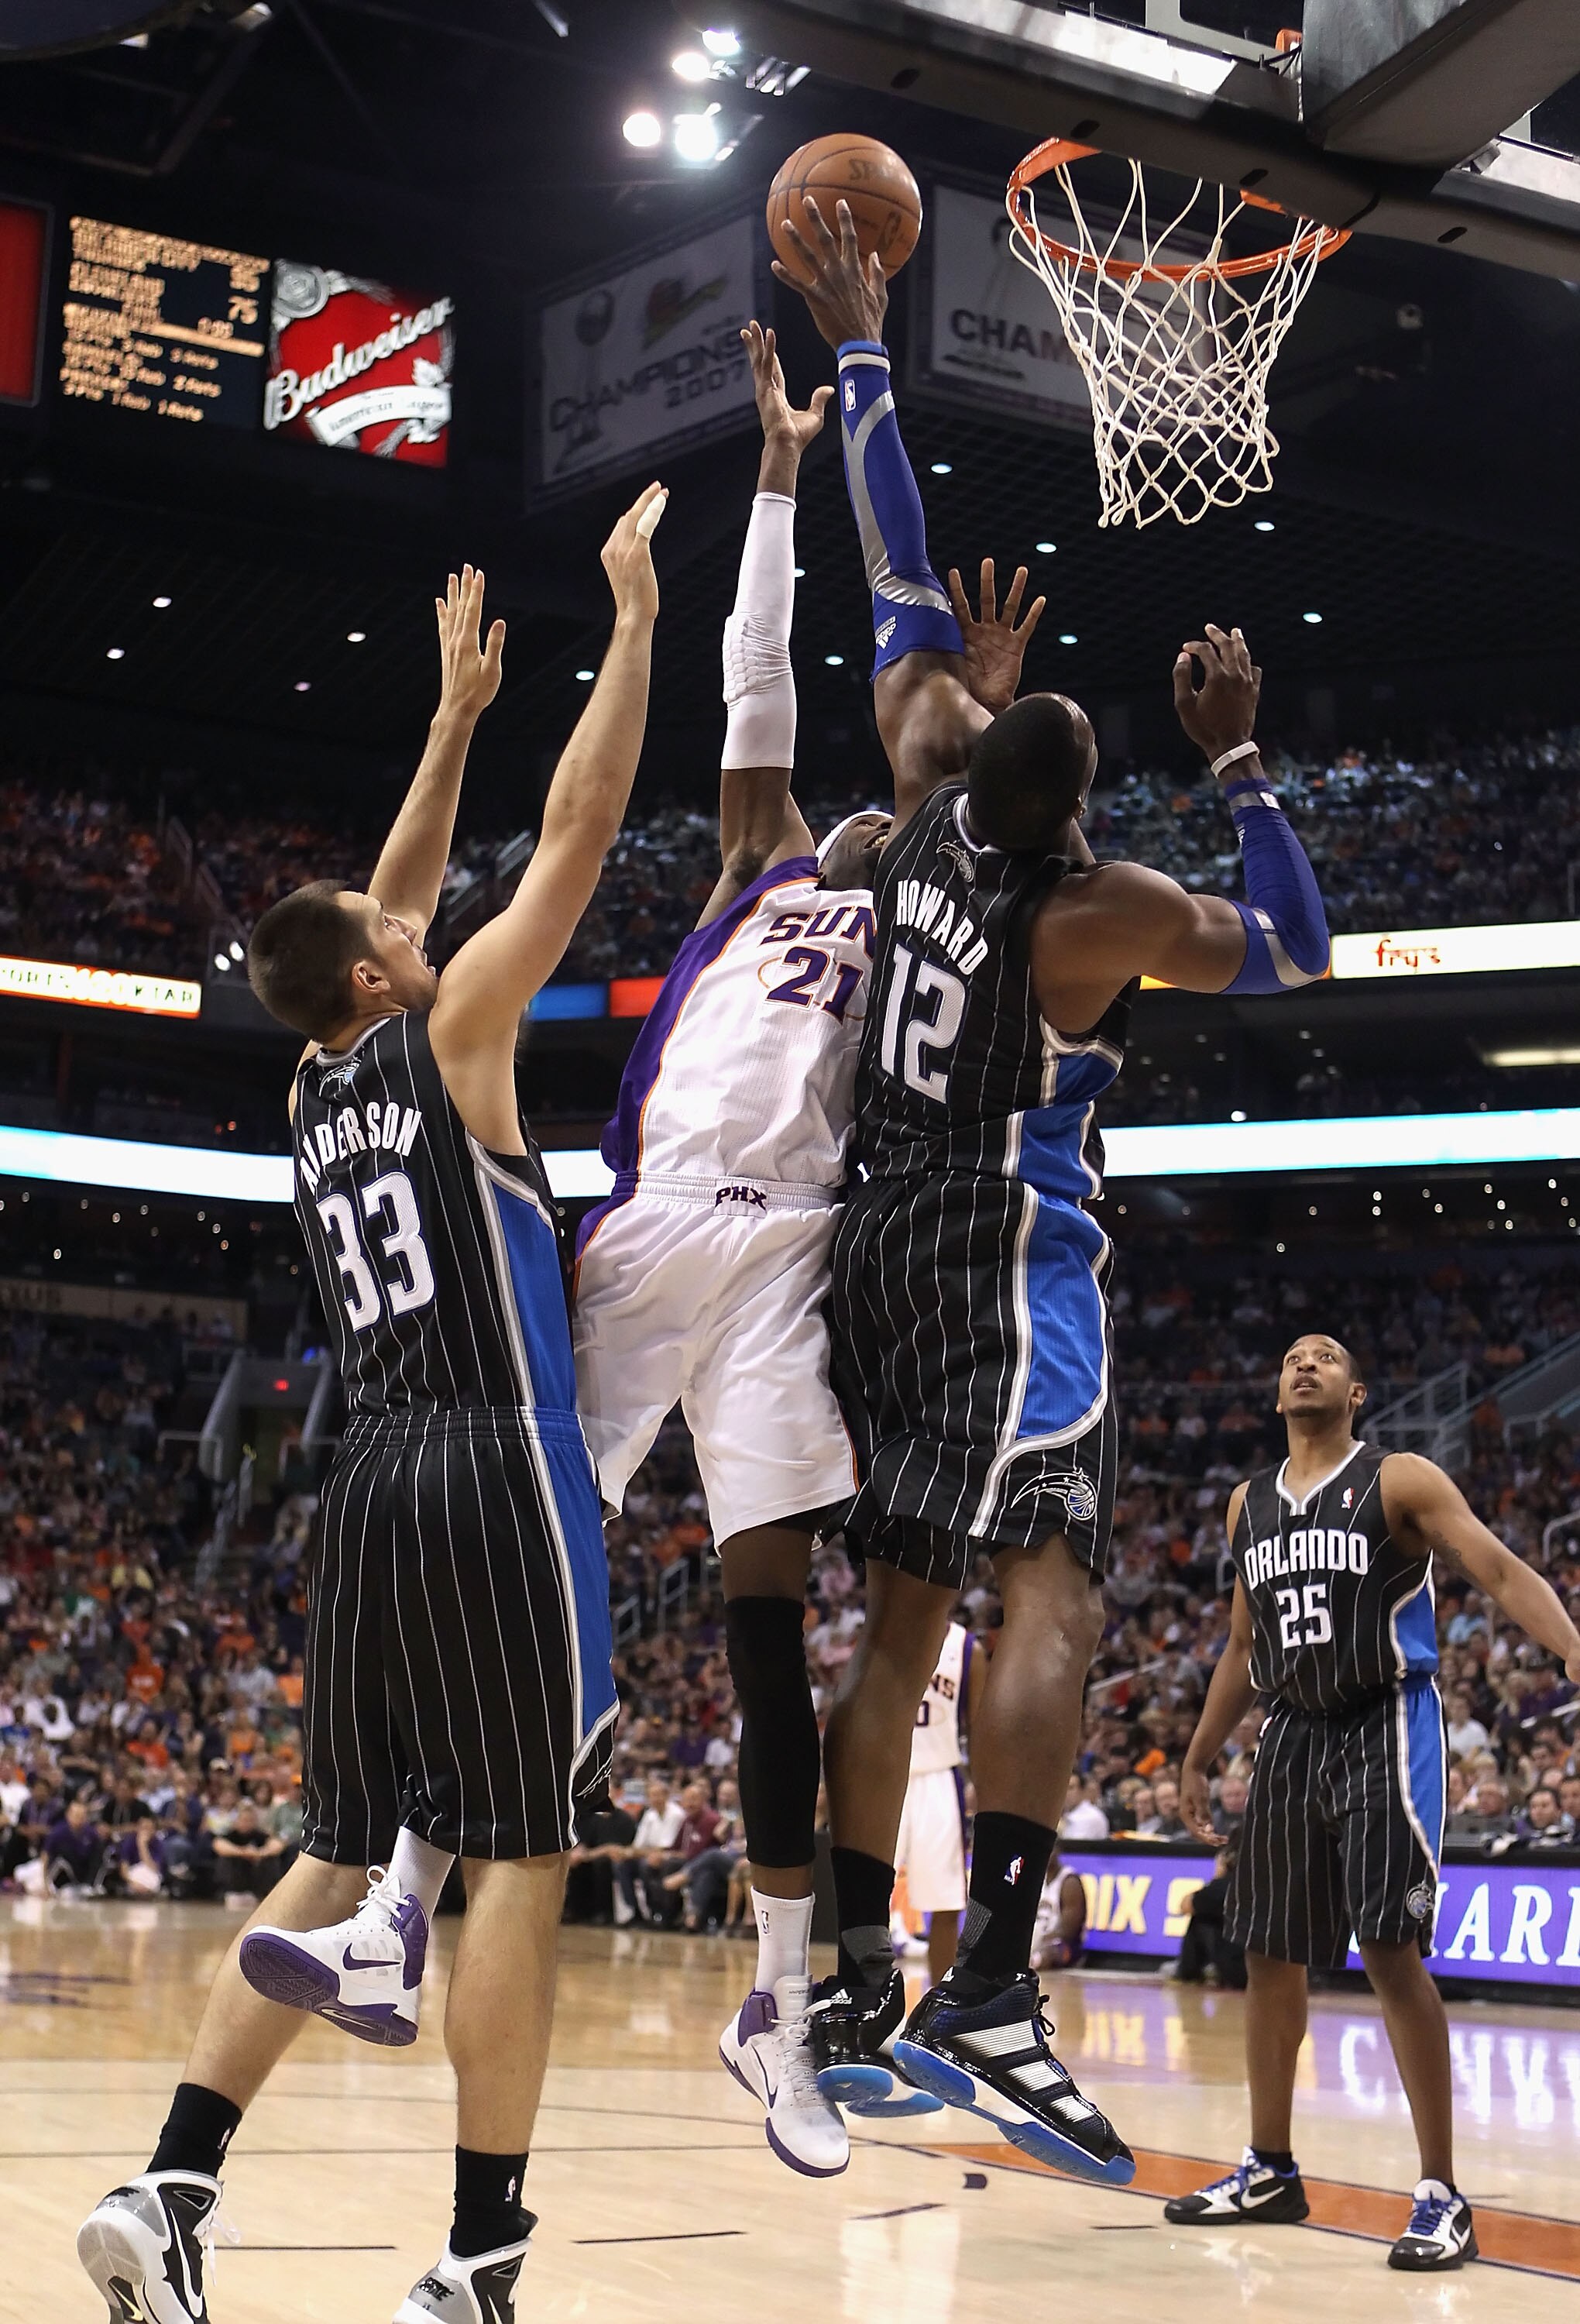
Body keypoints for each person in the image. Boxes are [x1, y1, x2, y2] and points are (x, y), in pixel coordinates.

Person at [775, 195, 1329, 2185]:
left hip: (875, 1250)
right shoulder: (1099, 914)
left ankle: (844, 1967)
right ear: (1078, 821)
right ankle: (990, 1979)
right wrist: (1246, 763)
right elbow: (1290, 953)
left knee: (903, 1620)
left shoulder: (920, 786)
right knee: (1057, 1593)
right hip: (1007, 1258)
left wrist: (860, 343)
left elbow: (896, 561)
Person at [77, 486, 665, 2324]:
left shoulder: (316, 1092)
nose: (433, 926)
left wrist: (448, 719)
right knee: (525, 1853)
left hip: (371, 1486)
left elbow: (381, 900)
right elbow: (575, 834)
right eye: (405, 937)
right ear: (375, 980)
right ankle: (481, 2254)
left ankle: (172, 2181)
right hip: (497, 1471)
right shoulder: (459, 1026)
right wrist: (632, 622)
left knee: (333, 1851)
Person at [577, 322, 1032, 2172]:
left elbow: (977, 800)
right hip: (650, 1218)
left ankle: (783, 2005)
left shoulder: (929, 890)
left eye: (899, 799)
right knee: (524, 1518)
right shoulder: (759, 857)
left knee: (769, 1626)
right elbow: (757, 674)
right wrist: (772, 475)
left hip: (788, 1262)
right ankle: (404, 1872)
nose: (869, 803)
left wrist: (984, 716)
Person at [1166, 1331, 1580, 2270]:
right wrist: (1199, 1752)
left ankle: (1441, 2190)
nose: (1304, 1364)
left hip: (1383, 1723)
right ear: (1278, 1393)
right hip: (1288, 1734)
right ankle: (1269, 2167)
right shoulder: (1246, 1505)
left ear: (1357, 1392)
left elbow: (1501, 1569)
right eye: (1290, 1358)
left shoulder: (1401, 1479)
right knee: (1267, 1952)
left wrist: (1569, 1647)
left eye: (1326, 1356)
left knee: (1391, 1951)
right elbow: (1240, 1644)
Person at [891, 1618, 987, 1986]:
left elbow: (977, 1727)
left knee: (946, 1899)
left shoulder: (967, 1649)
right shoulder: (885, 1629)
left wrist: (981, 1783)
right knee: (867, 1893)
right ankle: (864, 1997)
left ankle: (939, 2001)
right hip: (887, 1772)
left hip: (939, 1777)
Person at [1030, 1844, 1087, 1970]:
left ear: (1058, 1851)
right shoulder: (1036, 1878)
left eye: (1051, 1849)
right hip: (1037, 1936)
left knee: (1053, 1951)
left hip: (1063, 1945)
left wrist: (1042, 1939)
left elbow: (1069, 1931)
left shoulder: (1069, 1881)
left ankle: (1034, 1962)